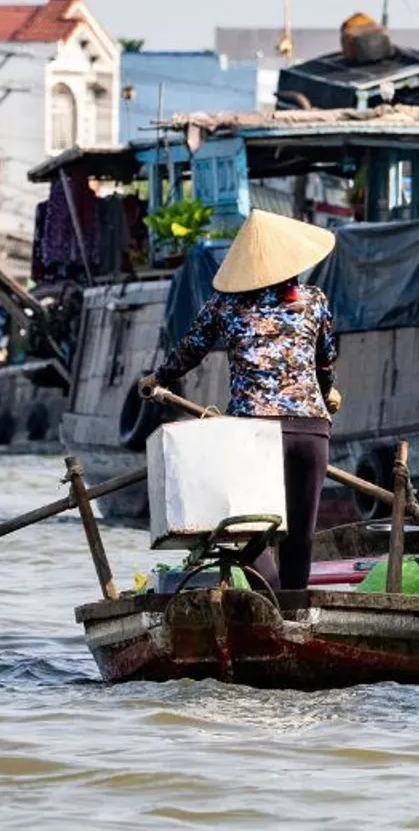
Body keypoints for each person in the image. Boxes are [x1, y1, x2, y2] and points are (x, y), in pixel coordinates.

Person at [141, 210, 341, 591]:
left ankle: (269, 602)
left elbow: (189, 351)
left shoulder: (225, 305)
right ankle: (292, 616)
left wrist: (157, 379)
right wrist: (327, 392)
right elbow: (325, 362)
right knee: (300, 536)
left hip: (253, 433)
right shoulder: (315, 300)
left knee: (248, 532)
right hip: (311, 431)